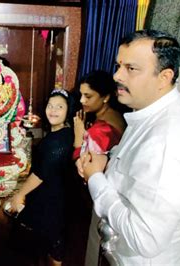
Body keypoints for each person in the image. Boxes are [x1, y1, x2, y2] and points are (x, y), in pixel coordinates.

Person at [80, 29, 180, 265]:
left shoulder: (172, 141)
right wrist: (109, 160)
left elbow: (143, 238)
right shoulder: (149, 113)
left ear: (164, 77)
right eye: (119, 66)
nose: (117, 76)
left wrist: (95, 179)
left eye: (131, 69)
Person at [9, 89, 75, 266]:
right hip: (48, 193)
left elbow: (41, 174)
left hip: (52, 197)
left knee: (53, 241)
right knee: (45, 241)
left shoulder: (59, 141)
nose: (52, 110)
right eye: (50, 105)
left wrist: (19, 194)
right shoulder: (59, 132)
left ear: (68, 110)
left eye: (59, 107)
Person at [72, 70, 126, 266]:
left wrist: (79, 136)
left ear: (105, 97)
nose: (82, 100)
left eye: (88, 96)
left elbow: (84, 164)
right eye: (81, 95)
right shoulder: (114, 115)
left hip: (99, 195)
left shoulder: (102, 129)